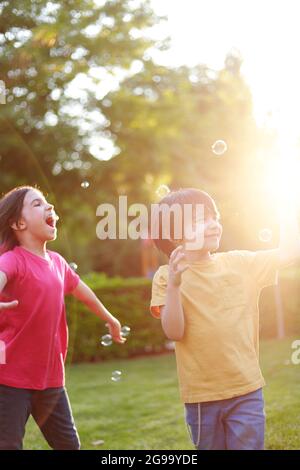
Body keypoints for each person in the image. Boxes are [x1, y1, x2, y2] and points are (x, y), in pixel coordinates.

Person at [150, 187, 300, 450]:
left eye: (214, 217)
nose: (213, 225)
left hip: (246, 389)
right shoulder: (166, 276)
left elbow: (289, 252)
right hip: (200, 397)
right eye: (200, 220)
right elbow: (174, 332)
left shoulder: (240, 263)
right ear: (175, 235)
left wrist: (287, 208)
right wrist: (174, 286)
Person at [0, 185, 125, 450]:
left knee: (69, 446)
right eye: (37, 204)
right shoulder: (13, 261)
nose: (49, 207)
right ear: (18, 222)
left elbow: (84, 293)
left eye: (47, 203)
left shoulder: (57, 262)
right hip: (9, 378)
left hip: (50, 378)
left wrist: (110, 318)